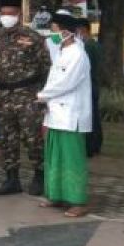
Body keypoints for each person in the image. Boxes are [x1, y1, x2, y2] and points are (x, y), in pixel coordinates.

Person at [0, 0, 51, 196]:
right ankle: (11, 179)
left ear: (19, 15)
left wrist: (35, 89)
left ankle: (40, 177)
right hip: (3, 94)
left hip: (28, 94)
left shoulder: (33, 37)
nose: (7, 17)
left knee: (33, 138)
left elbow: (45, 66)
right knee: (7, 138)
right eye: (3, 13)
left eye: (11, 13)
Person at [36, 13, 92, 217]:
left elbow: (66, 83)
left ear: (66, 31)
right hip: (55, 112)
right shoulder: (61, 50)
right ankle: (56, 194)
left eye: (54, 29)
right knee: (55, 156)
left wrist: (41, 95)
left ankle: (78, 201)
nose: (52, 34)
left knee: (71, 158)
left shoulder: (78, 54)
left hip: (71, 114)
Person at [77, 18, 105, 157]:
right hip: (94, 84)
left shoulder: (87, 46)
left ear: (83, 30)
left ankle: (91, 145)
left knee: (90, 117)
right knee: (94, 116)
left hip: (89, 85)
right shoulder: (96, 45)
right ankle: (95, 144)